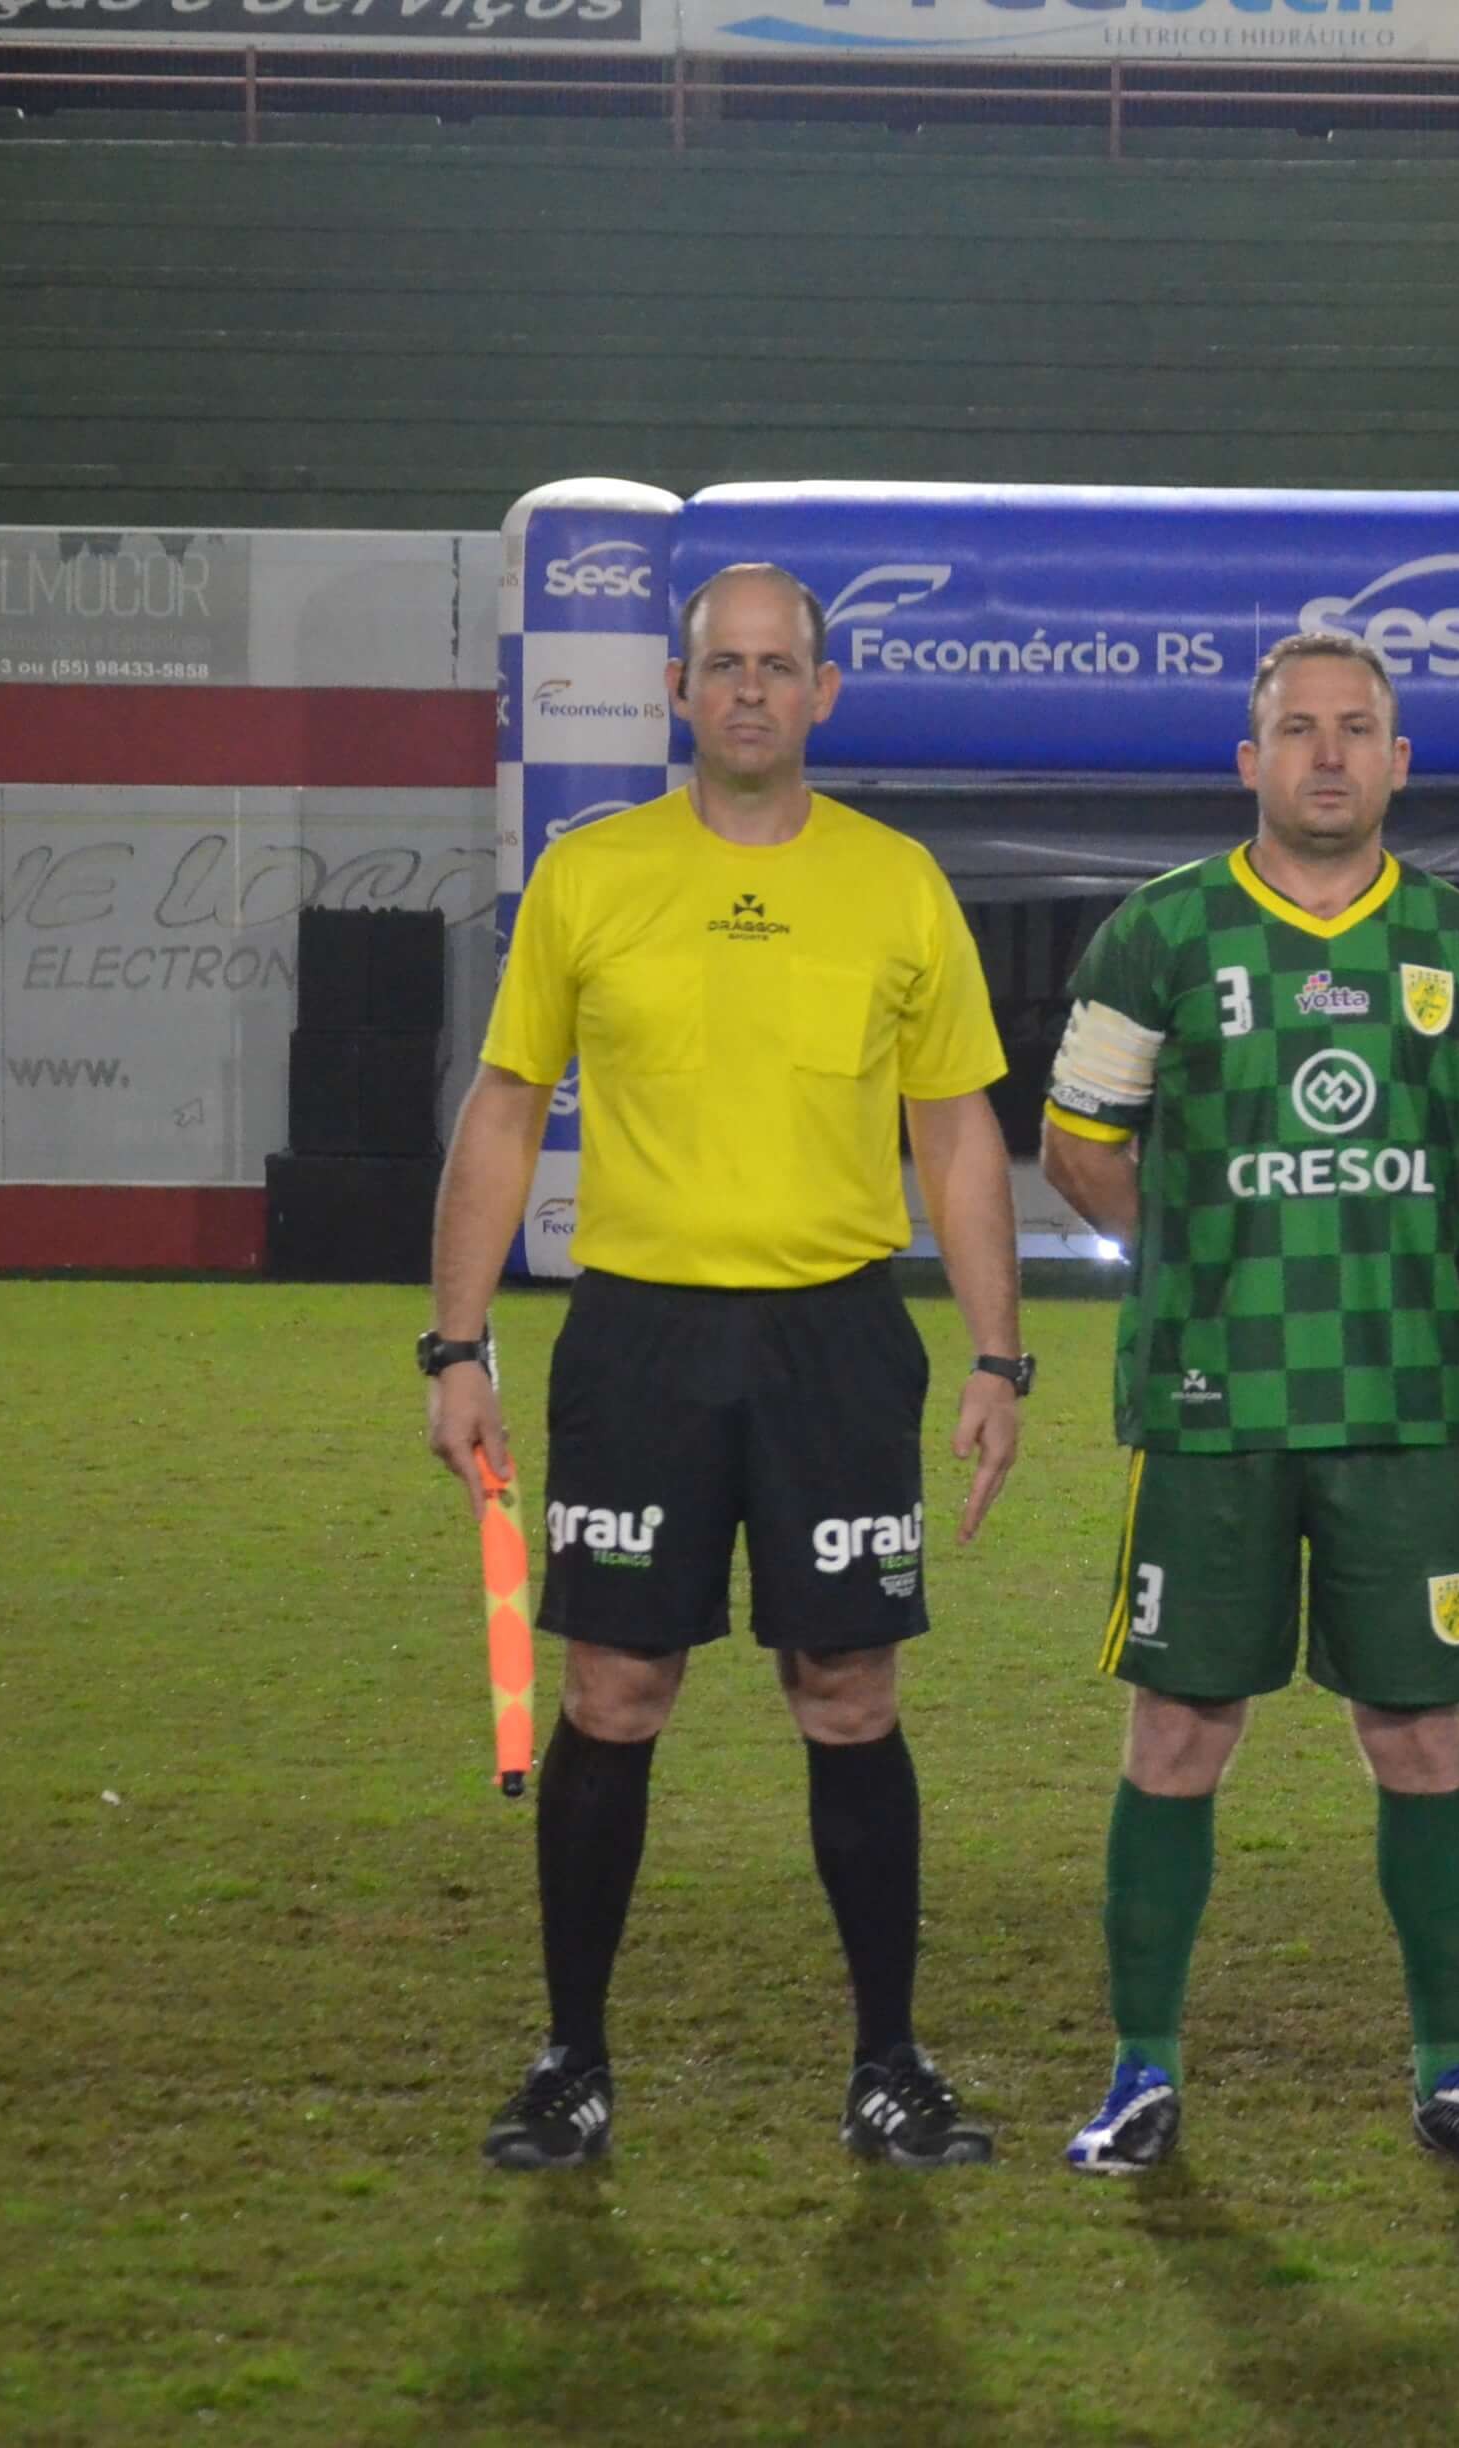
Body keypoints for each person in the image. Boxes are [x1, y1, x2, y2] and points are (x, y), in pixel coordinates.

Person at [424, 562, 1028, 2172]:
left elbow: (958, 1134)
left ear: (823, 694)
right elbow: (500, 1111)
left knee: (850, 1694)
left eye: (781, 667)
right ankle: (571, 2062)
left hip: (838, 1339)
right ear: (677, 694)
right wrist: (457, 1343)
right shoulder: (589, 878)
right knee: (614, 1694)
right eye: (724, 666)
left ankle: (889, 2065)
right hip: (637, 1338)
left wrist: (999, 1355)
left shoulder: (898, 886)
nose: (752, 691)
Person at [1036, 633, 1459, 2175]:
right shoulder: (1161, 934)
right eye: (1297, 731)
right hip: (1209, 1409)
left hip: (1401, 1407)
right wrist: (1205, 1257)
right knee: (1178, 1731)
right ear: (1250, 759)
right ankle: (1140, 2074)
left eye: (1357, 732)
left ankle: (1456, 2075)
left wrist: (1416, 1256)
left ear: (1400, 763)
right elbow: (1076, 1144)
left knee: (1419, 1738)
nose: (1327, 756)